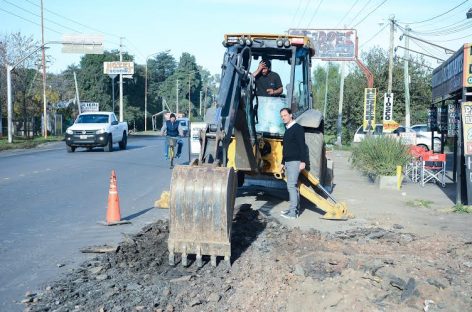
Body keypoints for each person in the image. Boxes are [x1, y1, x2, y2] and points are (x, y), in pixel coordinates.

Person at [279, 107, 306, 219]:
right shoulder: (288, 129)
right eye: (281, 116)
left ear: (291, 115)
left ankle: (293, 213)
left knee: (291, 185)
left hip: (295, 162)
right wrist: (282, 162)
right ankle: (293, 209)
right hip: (288, 161)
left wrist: (303, 161)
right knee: (292, 186)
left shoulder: (298, 128)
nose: (283, 118)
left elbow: (302, 146)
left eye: (285, 115)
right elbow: (286, 148)